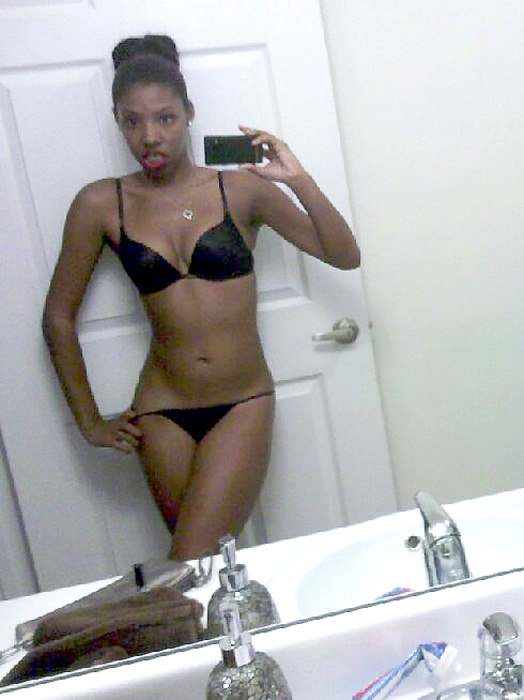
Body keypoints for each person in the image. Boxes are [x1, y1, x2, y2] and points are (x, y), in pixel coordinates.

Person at [42, 34, 360, 562]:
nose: (150, 137)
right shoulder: (100, 203)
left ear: (189, 114)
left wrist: (296, 178)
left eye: (165, 118)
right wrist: (90, 422)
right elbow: (58, 317)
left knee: (190, 562)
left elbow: (343, 255)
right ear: (117, 121)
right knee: (207, 570)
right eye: (132, 122)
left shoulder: (240, 189)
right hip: (160, 412)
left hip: (242, 403)